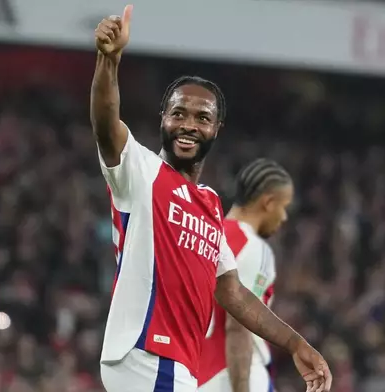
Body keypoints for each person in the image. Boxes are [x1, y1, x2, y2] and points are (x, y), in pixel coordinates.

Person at [91, 5, 332, 392]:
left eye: (202, 118)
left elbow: (233, 292)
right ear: (162, 118)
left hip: (178, 366)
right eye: (178, 113)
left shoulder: (208, 204)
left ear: (217, 128)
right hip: (146, 354)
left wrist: (295, 344)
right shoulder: (141, 172)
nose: (188, 124)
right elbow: (106, 123)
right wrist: (109, 60)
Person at [198, 159, 293, 392]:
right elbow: (239, 325)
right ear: (268, 203)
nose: (284, 218)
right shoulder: (253, 248)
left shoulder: (204, 234)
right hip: (232, 377)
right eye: (283, 207)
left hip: (194, 376)